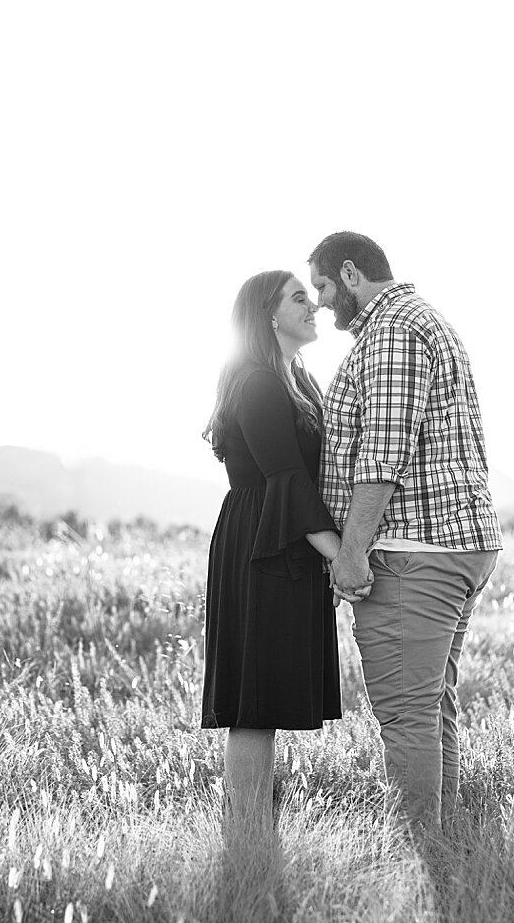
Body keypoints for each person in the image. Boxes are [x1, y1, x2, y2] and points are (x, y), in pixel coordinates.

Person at [309, 231, 503, 833]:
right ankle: (444, 849)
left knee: (405, 715)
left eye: (320, 286)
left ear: (350, 273)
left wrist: (353, 553)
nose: (318, 301)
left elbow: (383, 454)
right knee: (429, 708)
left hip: (415, 550)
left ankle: (423, 854)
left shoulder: (393, 332)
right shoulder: (417, 322)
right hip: (452, 544)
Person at [200, 269, 355, 850]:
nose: (313, 304)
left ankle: (256, 833)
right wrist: (342, 556)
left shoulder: (299, 380)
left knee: (266, 696)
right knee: (254, 700)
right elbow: (285, 477)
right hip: (261, 542)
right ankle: (247, 838)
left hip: (287, 537)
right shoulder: (260, 382)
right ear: (268, 314)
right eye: (298, 297)